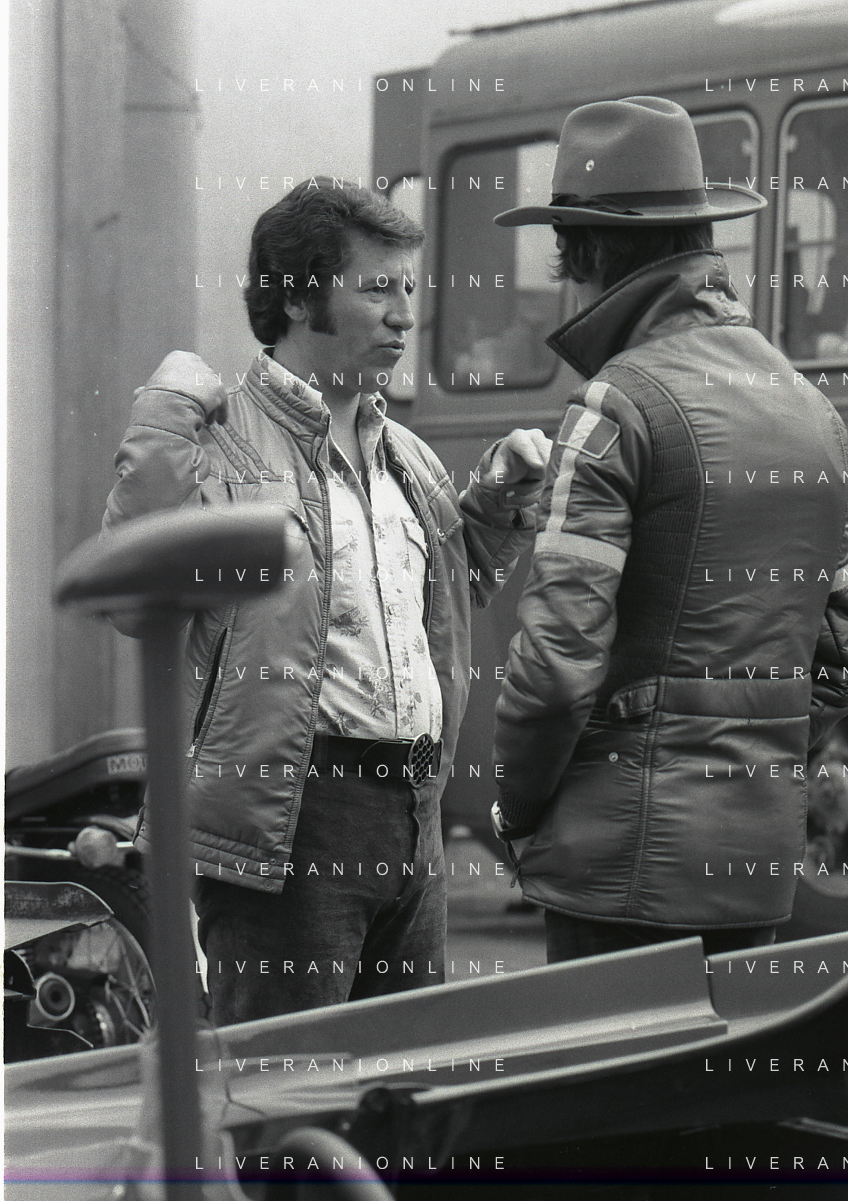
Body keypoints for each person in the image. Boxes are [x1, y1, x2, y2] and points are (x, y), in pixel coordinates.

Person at [103, 178, 550, 1023]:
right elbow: (136, 597)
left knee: (404, 1086)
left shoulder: (408, 456)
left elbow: (441, 606)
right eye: (377, 288)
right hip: (294, 821)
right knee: (285, 1086)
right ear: (298, 296)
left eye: (408, 287)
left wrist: (497, 504)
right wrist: (161, 419)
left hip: (415, 815)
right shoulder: (219, 443)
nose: (405, 315)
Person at [489, 96, 848, 961]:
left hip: (615, 863)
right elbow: (836, 648)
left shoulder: (613, 407)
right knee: (727, 1056)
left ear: (586, 252)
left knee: (609, 1056)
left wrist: (519, 808)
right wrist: (766, 772)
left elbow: (557, 668)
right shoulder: (813, 412)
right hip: (755, 863)